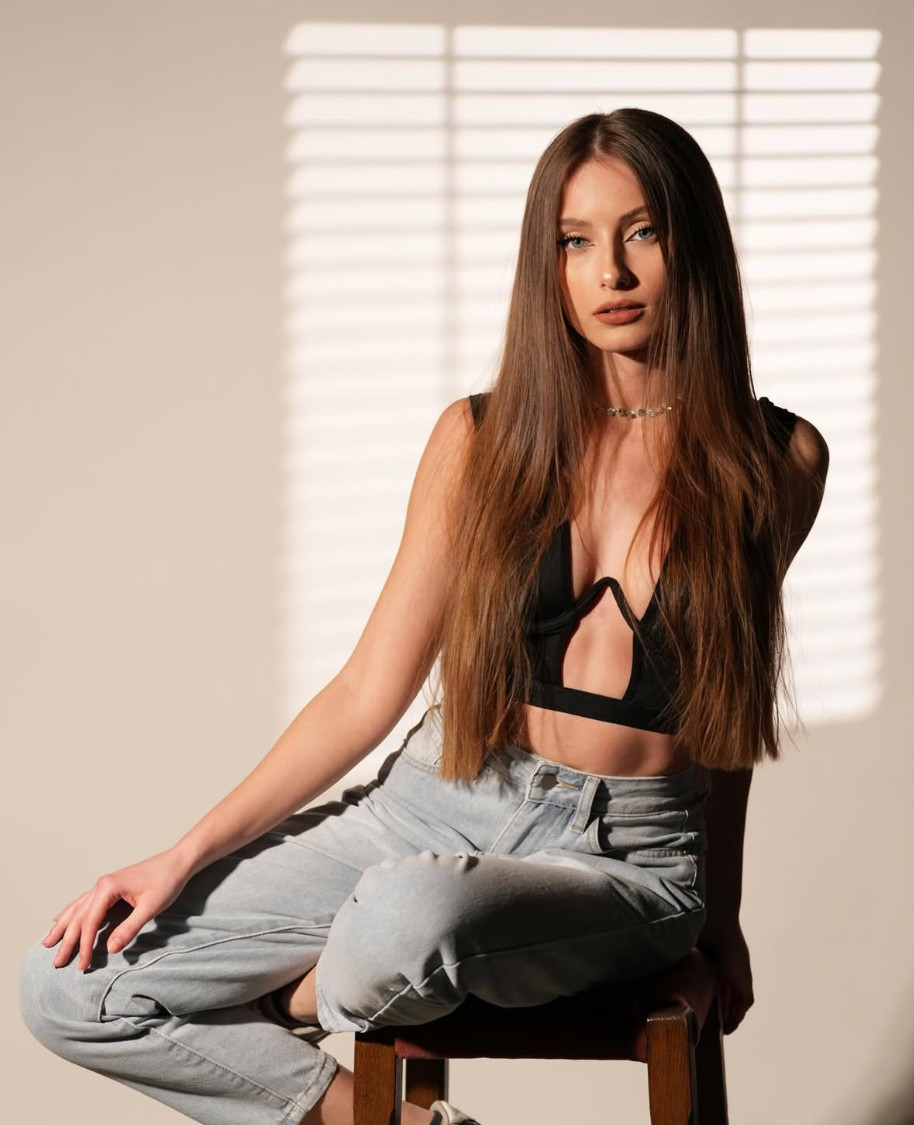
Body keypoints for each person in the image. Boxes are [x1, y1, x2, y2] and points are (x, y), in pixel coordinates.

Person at [19, 108, 829, 1125]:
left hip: (618, 857)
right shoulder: (480, 439)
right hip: (433, 801)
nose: (610, 272)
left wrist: (722, 915)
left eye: (642, 232)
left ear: (692, 242)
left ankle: (302, 991)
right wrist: (181, 855)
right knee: (73, 983)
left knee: (404, 918)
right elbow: (368, 689)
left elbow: (723, 717)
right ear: (546, 265)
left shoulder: (776, 461)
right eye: (574, 242)